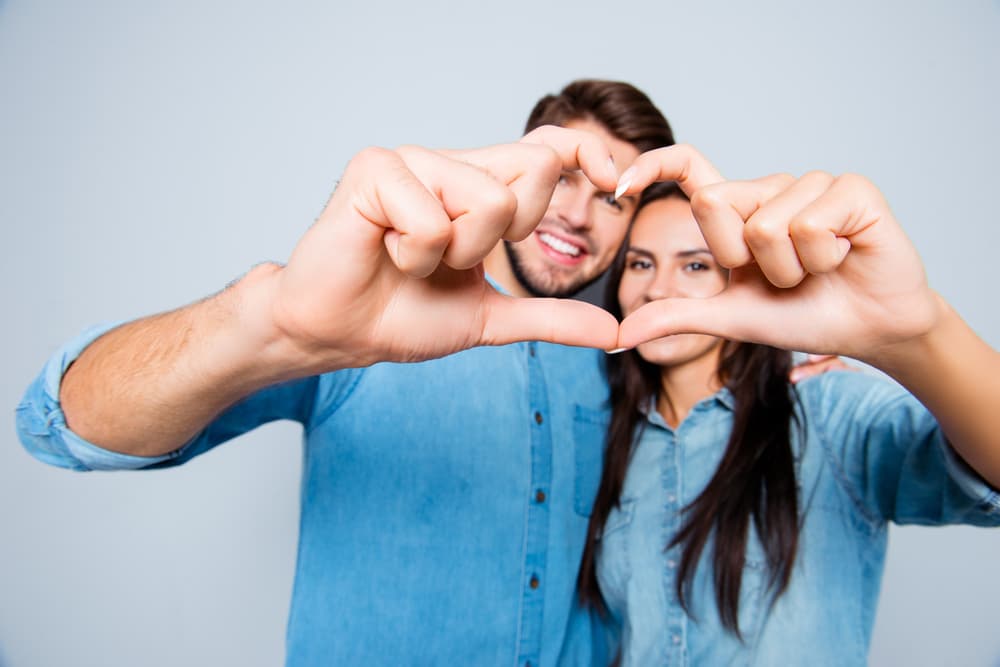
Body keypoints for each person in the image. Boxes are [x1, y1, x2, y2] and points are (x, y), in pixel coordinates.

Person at [16, 80, 675, 666]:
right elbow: (58, 422)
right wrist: (275, 324)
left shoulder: (629, 370)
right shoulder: (363, 315)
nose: (578, 215)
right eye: (563, 178)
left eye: (613, 200)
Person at [578, 157, 1000, 665]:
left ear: (741, 278)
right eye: (640, 263)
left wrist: (917, 336)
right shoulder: (607, 433)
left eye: (695, 265)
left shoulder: (826, 411)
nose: (657, 289)